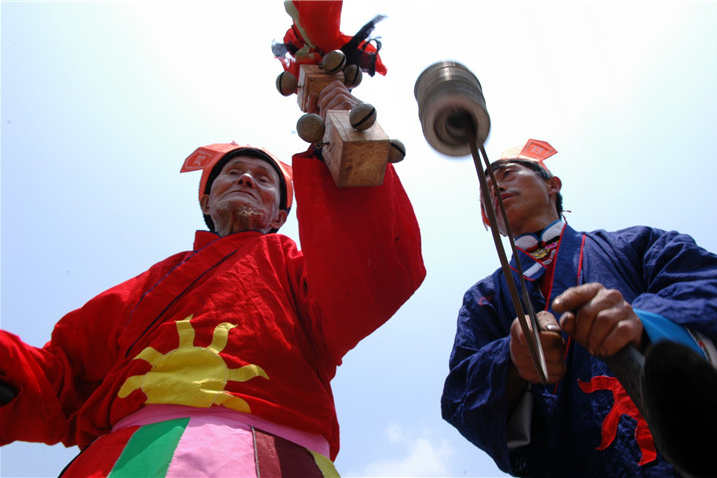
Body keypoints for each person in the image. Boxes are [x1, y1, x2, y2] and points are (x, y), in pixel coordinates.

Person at [0, 83, 426, 477]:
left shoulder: (294, 265)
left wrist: (345, 149)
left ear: (280, 215)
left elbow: (367, 277)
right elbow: (55, 378)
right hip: (130, 455)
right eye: (233, 172)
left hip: (278, 454)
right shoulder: (150, 283)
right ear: (206, 198)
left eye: (264, 180)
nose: (246, 178)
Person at [441, 139, 717, 477]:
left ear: (552, 185)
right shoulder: (483, 298)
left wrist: (644, 324)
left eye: (507, 173)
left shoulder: (635, 243)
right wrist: (511, 362)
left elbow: (705, 283)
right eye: (484, 190)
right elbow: (460, 394)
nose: (495, 187)